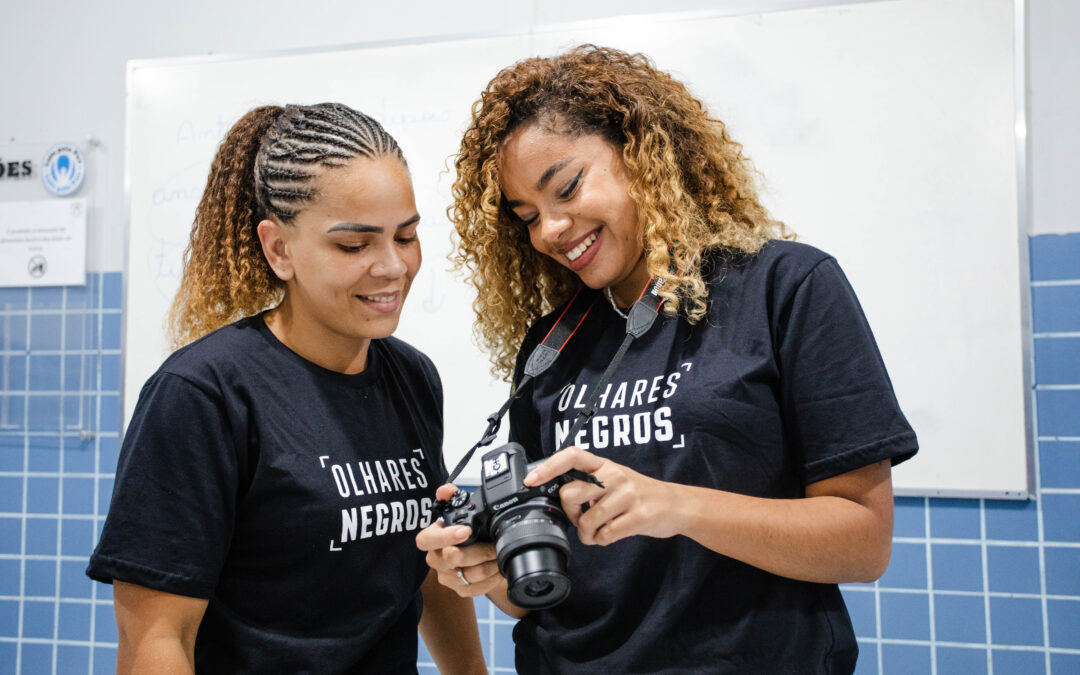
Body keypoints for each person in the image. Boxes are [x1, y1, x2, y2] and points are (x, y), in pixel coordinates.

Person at [416, 46, 918, 674]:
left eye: (567, 188)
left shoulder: (785, 287)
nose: (549, 230)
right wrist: (488, 570)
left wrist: (678, 507)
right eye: (528, 217)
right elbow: (538, 593)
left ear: (639, 154)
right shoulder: (552, 343)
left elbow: (864, 543)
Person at [87, 103, 486, 674]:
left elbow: (426, 558)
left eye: (406, 236)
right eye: (355, 245)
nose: (393, 266)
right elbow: (156, 638)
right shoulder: (203, 395)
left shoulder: (412, 376)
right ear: (279, 249)